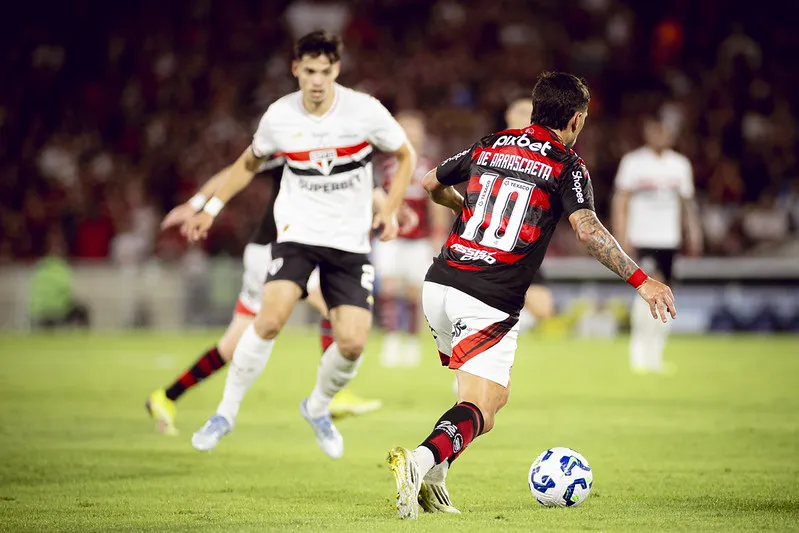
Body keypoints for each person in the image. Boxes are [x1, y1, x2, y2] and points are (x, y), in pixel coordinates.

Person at [386, 72, 676, 520]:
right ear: (576, 119)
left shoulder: (491, 144)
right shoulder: (567, 164)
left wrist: (468, 210)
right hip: (487, 296)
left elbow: (429, 182)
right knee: (487, 406)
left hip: (439, 282)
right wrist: (643, 281)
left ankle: (435, 480)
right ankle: (419, 462)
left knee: (469, 395)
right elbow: (587, 230)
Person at [181, 31, 416, 458]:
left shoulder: (364, 111)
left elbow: (406, 155)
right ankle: (225, 414)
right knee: (270, 318)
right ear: (296, 70)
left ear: (336, 71)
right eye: (309, 71)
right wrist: (209, 208)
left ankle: (317, 407)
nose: (317, 80)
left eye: (325, 71)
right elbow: (246, 164)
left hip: (348, 243)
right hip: (296, 237)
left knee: (353, 344)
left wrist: (390, 207)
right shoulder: (279, 117)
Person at [145, 155, 398, 435]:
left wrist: (392, 211)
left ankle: (165, 397)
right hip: (276, 251)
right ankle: (335, 395)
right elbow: (237, 169)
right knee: (334, 305)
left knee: (231, 345)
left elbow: (371, 188)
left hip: (285, 252)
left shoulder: (347, 147)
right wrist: (197, 204)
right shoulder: (296, 143)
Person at [611, 113, 702, 374]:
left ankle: (656, 354)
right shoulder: (634, 162)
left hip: (669, 239)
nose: (660, 135)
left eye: (664, 131)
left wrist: (693, 234)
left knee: (666, 294)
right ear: (647, 132)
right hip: (642, 237)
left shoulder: (680, 165)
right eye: (655, 130)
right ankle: (638, 352)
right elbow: (621, 200)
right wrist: (620, 236)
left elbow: (687, 204)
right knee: (646, 291)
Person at [372, 110, 450, 367]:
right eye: (404, 128)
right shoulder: (386, 166)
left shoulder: (429, 167)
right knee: (390, 289)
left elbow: (437, 205)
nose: (410, 134)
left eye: (414, 129)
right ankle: (392, 341)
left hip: (419, 240)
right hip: (390, 237)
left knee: (415, 293)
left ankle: (412, 344)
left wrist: (438, 238)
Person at [504, 97, 556, 325]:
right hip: (495, 235)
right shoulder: (495, 147)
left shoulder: (546, 152)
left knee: (544, 309)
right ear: (509, 115)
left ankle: (508, 313)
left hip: (526, 238)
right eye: (524, 111)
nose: (529, 117)